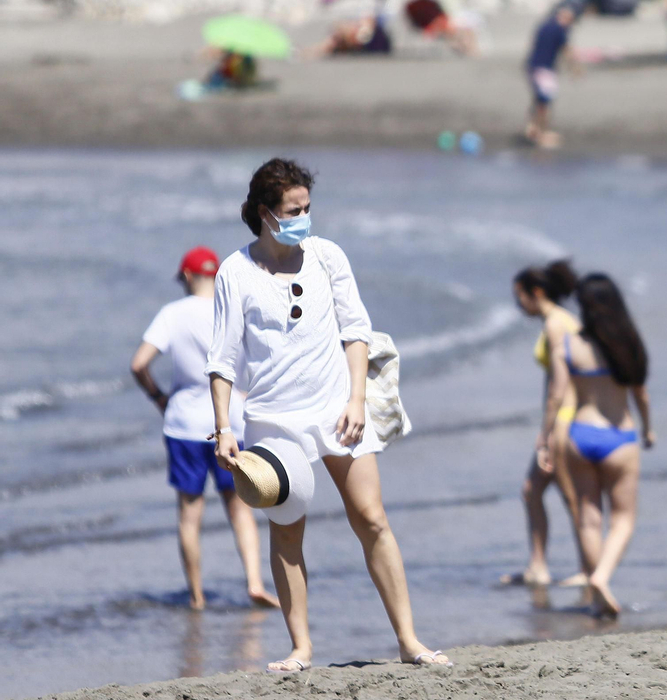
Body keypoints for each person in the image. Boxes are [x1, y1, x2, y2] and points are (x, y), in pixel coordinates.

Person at [207, 158, 451, 672]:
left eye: (307, 208)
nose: (304, 218)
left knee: (372, 518)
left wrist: (357, 398)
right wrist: (225, 426)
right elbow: (223, 358)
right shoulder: (235, 271)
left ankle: (409, 641)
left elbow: (355, 330)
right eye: (293, 210)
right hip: (274, 420)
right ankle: (301, 648)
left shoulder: (327, 256)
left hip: (337, 408)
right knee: (288, 531)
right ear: (264, 213)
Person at [131, 247, 278, 612]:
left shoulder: (173, 314)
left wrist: (159, 398)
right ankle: (255, 583)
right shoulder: (233, 308)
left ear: (185, 276)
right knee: (240, 507)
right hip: (231, 420)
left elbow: (138, 364)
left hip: (184, 423)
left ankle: (196, 596)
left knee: (189, 515)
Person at [549, 274, 654, 617]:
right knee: (623, 519)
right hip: (618, 436)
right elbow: (640, 394)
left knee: (588, 517)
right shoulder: (626, 342)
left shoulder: (569, 343)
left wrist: (546, 436)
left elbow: (557, 395)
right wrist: (649, 430)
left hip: (579, 435)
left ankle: (597, 595)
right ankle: (602, 578)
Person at [502, 260, 586, 588]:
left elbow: (558, 386)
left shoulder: (555, 324)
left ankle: (589, 569)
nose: (518, 305)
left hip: (566, 418)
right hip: (572, 415)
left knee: (569, 495)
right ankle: (539, 566)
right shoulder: (565, 320)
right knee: (534, 490)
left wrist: (546, 434)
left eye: (519, 297)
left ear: (535, 293)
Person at [524, 4, 578, 148]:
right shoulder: (560, 30)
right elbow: (567, 51)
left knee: (538, 100)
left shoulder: (544, 26)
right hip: (544, 69)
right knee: (544, 103)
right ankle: (540, 135)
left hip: (533, 66)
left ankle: (533, 129)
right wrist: (574, 69)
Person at [404, 0, 476, 56]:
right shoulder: (414, 5)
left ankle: (463, 46)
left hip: (435, 25)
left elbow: (441, 14)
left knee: (461, 30)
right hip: (430, 26)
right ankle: (463, 46)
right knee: (454, 29)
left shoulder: (422, 4)